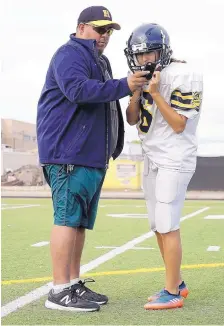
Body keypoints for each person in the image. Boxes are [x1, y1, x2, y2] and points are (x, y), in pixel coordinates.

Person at [36, 6, 149, 313]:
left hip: (89, 157)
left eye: (109, 31)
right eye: (100, 29)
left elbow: (103, 100)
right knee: (66, 220)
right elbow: (78, 91)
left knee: (79, 223)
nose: (105, 36)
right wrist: (125, 85)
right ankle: (59, 290)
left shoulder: (100, 60)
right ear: (82, 27)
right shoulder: (69, 54)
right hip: (68, 154)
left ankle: (72, 283)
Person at [125, 23, 203, 310]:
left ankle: (171, 292)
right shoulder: (142, 77)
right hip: (153, 156)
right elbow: (133, 119)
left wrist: (156, 93)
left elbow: (179, 125)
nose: (145, 60)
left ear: (163, 50)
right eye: (140, 55)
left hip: (175, 157)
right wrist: (136, 91)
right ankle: (177, 283)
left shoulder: (184, 74)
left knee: (168, 223)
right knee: (157, 224)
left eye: (151, 53)